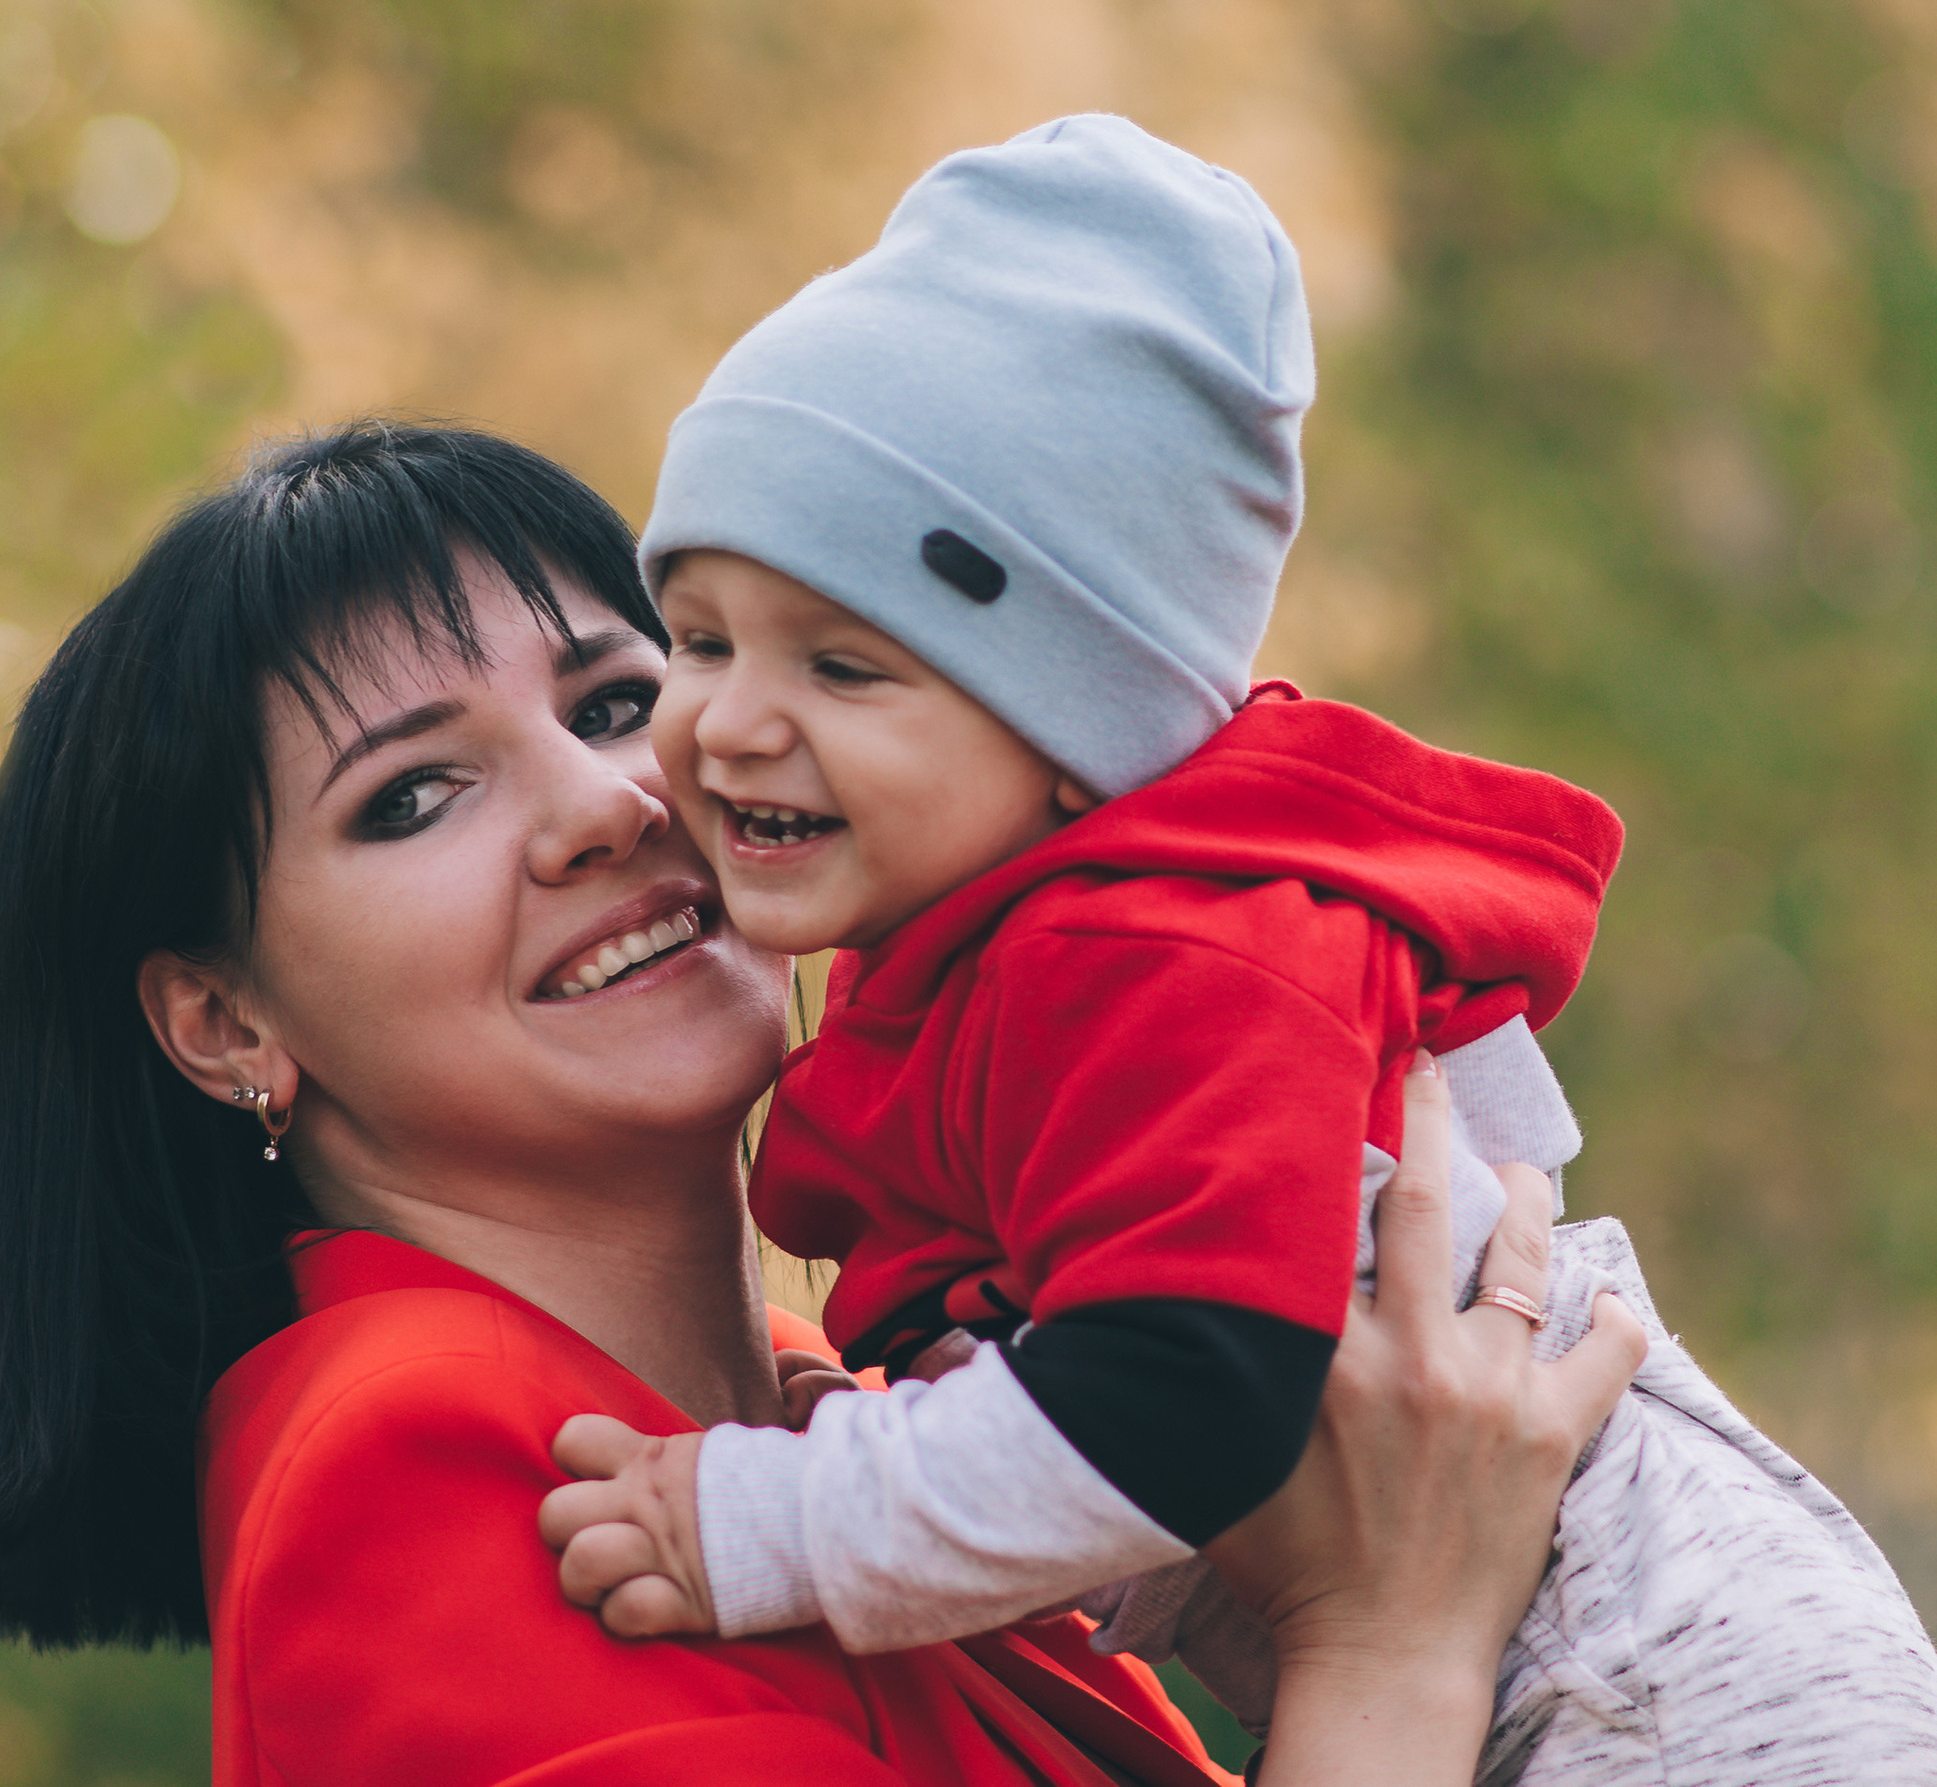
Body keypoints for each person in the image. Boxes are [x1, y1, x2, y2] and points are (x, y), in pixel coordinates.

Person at [0, 421, 1641, 1786]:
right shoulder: (415, 1466)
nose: (611, 801)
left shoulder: (894, 1448)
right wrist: (1388, 1642)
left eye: (623, 696)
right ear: (221, 1018)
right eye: (415, 797)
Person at [538, 116, 1937, 1784]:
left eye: (847, 669)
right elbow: (1484, 1113)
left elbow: (1188, 1387)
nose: (732, 720)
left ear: (1076, 728)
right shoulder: (1093, 910)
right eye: (696, 637)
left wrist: (768, 1527)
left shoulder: (1155, 946)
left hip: (1669, 1682)